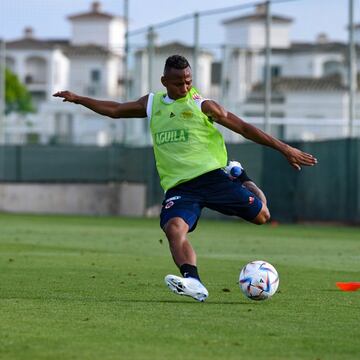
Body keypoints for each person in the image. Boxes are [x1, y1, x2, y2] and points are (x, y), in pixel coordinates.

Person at [53, 54, 317, 302]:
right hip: (181, 187)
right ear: (164, 82)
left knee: (263, 217)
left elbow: (245, 128)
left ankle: (240, 175)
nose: (184, 87)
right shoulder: (153, 103)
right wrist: (79, 99)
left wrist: (285, 149)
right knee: (173, 228)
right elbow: (115, 109)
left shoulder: (203, 104)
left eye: (188, 81)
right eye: (178, 83)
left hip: (214, 177)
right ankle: (194, 282)